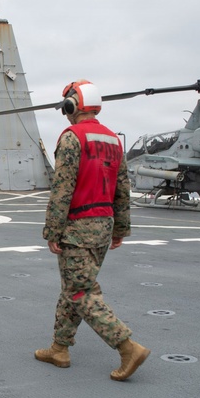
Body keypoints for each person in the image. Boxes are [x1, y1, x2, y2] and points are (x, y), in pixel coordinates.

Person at [34, 80, 150, 381]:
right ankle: (59, 348)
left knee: (80, 292)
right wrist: (120, 229)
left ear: (73, 106)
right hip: (103, 224)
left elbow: (62, 188)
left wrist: (53, 230)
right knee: (73, 288)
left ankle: (127, 347)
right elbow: (123, 189)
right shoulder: (113, 139)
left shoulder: (72, 138)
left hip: (77, 227)